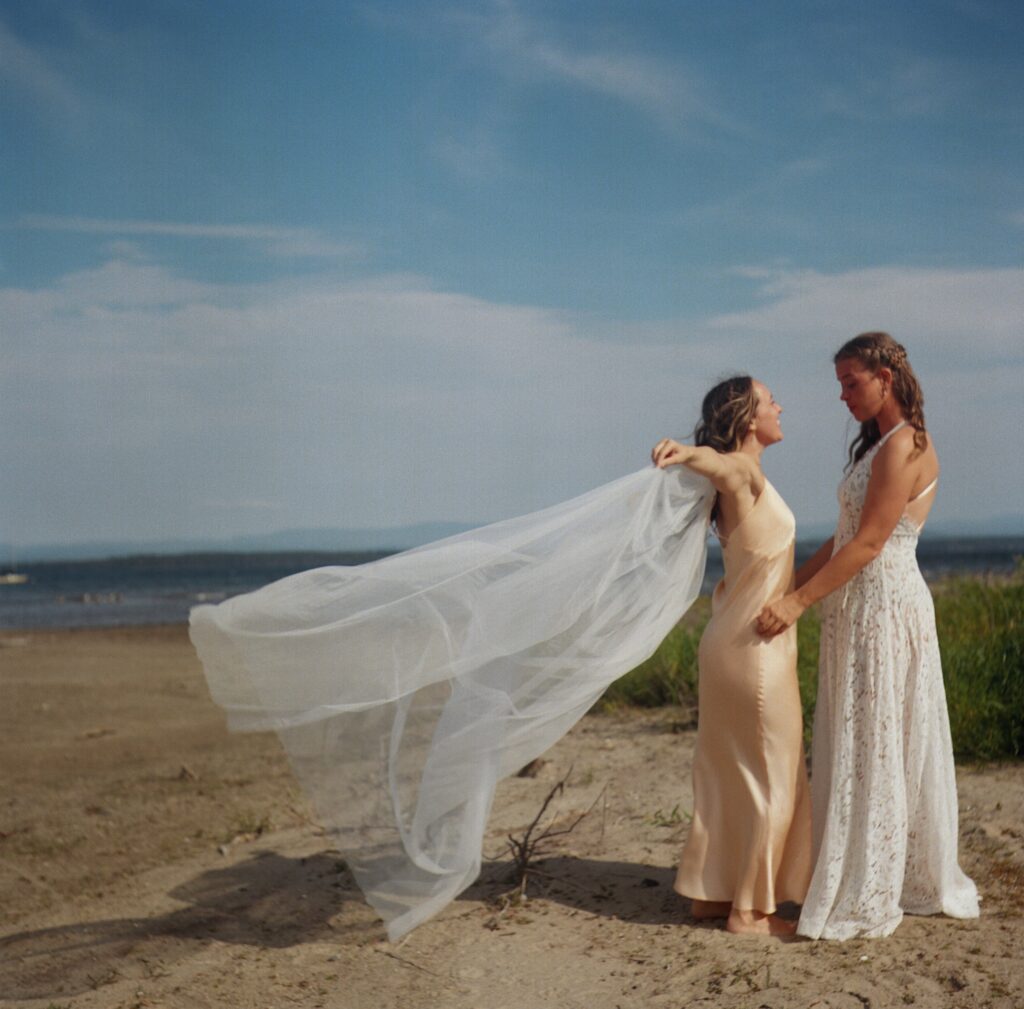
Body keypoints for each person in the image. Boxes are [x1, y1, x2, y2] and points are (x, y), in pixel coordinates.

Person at [756, 332, 980, 940]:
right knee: (854, 736)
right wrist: (784, 589)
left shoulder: (907, 444)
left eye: (851, 382)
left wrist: (798, 602)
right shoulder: (876, 445)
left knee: (879, 735)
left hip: (887, 604)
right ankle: (851, 865)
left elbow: (872, 542)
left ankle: (874, 881)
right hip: (857, 604)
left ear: (886, 376)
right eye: (840, 384)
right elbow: (844, 534)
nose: (842, 395)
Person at [652, 376, 812, 936]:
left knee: (729, 773)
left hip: (728, 643)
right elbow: (716, 464)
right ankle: (749, 913)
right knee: (773, 773)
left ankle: (714, 894)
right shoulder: (740, 470)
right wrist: (685, 452)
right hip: (755, 652)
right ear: (749, 418)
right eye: (772, 399)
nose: (780, 405)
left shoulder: (743, 478)